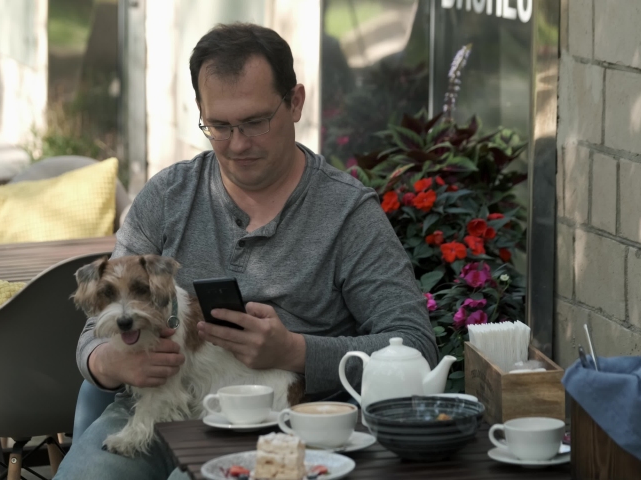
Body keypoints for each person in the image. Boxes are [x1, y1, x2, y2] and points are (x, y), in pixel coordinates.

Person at [55, 22, 438, 479]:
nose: (237, 144)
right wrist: (109, 360)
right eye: (218, 125)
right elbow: (92, 331)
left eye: (255, 122)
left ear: (295, 103)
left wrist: (296, 351)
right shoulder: (167, 197)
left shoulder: (347, 215)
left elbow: (415, 347)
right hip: (155, 412)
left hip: (283, 424)